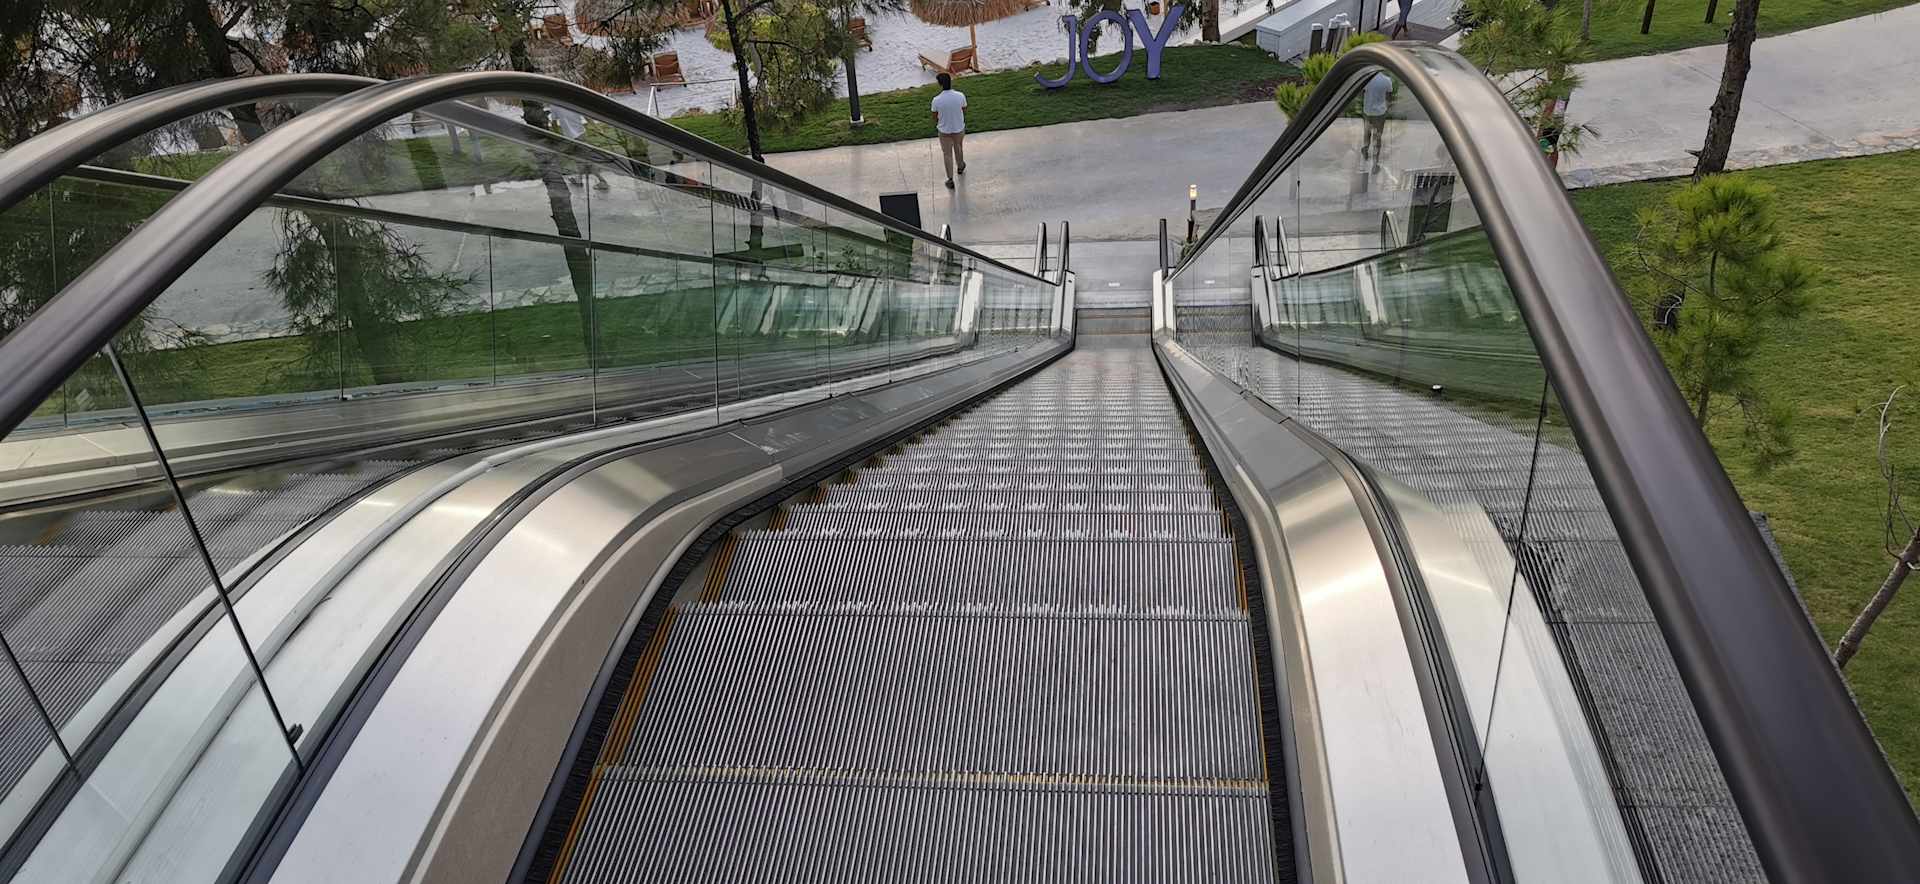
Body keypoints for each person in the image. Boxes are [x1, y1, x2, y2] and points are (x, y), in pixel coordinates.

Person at [930, 72, 968, 190]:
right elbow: (964, 109)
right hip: (958, 129)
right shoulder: (960, 95)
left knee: (947, 154)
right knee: (958, 147)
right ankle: (960, 166)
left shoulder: (936, 100)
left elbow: (935, 116)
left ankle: (950, 179)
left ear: (940, 84)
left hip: (944, 131)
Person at [1361, 72, 1392, 165]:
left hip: (1368, 111)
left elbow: (1362, 93)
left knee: (1367, 132)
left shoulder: (1367, 79)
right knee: (1377, 136)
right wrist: (1386, 108)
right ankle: (1375, 160)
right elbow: (1389, 98)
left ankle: (1365, 149)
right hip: (1380, 113)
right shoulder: (1387, 80)